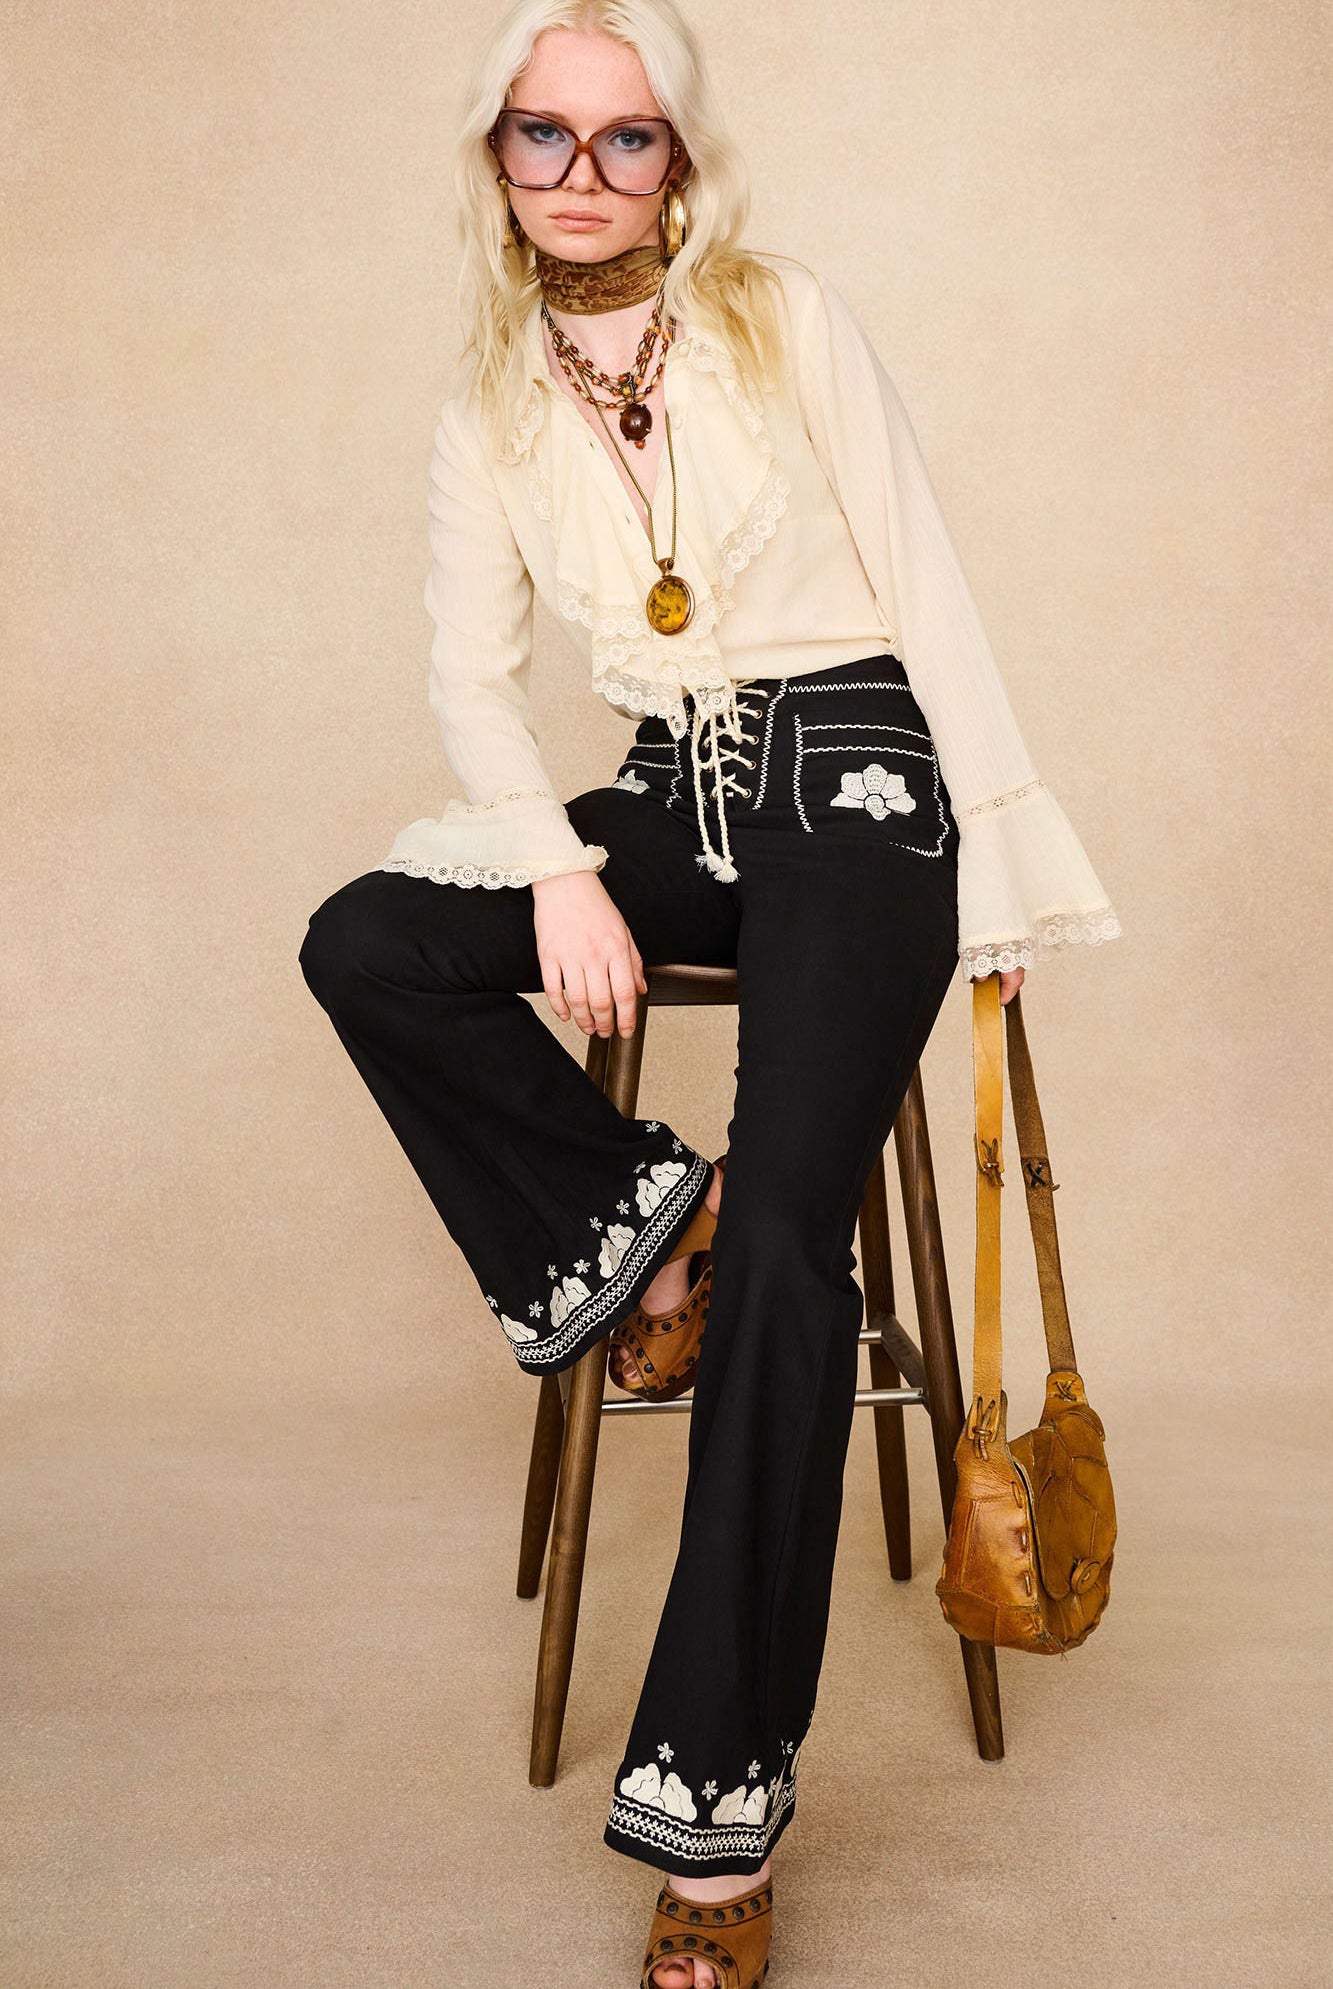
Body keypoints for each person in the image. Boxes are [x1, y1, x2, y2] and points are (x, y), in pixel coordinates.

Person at [297, 2, 1122, 1981]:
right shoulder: (486, 400)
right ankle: (647, 1231)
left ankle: (719, 1802)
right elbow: (469, 676)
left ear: (681, 161)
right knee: (369, 937)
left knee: (795, 1261)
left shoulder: (784, 319)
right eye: (542, 136)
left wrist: (994, 859)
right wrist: (565, 866)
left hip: (860, 783)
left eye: (626, 139)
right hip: (671, 790)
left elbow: (927, 587)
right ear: (493, 157)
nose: (581, 176)